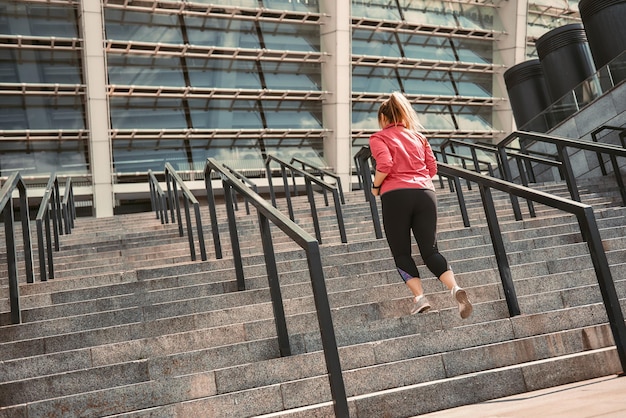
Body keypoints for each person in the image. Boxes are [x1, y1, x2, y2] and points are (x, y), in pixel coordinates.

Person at [368, 92, 472, 319]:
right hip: (425, 193)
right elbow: (432, 169)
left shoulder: (379, 137)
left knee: (402, 252)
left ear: (384, 118)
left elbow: (385, 164)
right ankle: (455, 288)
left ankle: (420, 298)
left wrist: (375, 187)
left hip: (396, 196)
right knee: (430, 250)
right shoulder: (418, 137)